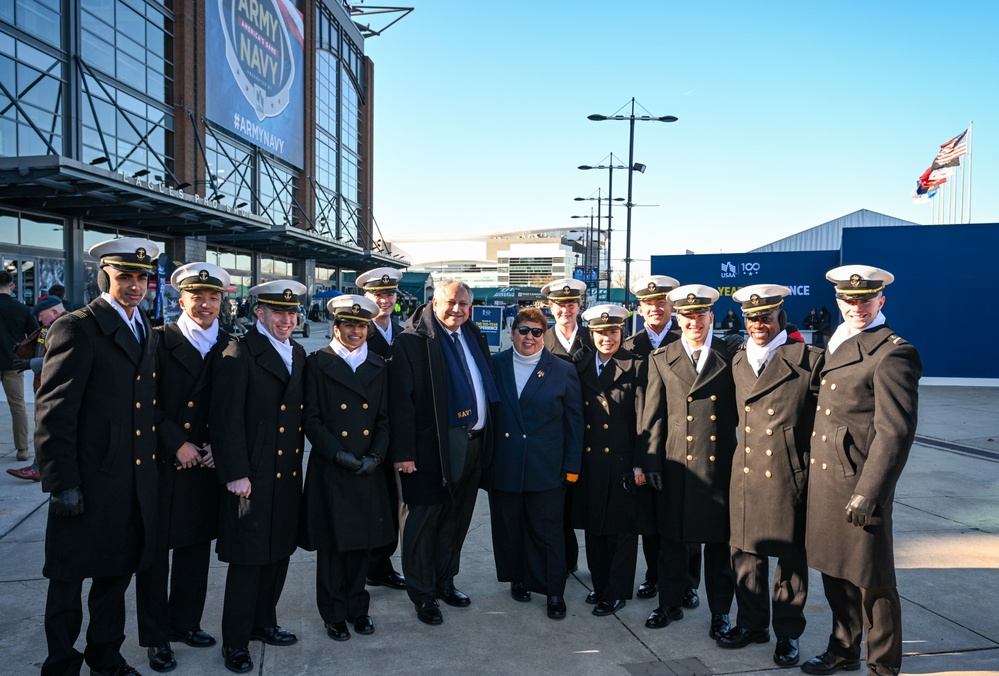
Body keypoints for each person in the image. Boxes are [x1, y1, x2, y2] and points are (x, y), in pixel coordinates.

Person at [35, 237, 160, 676]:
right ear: (104, 275)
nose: (135, 285)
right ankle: (61, 664)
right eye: (125, 276)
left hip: (130, 480)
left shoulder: (144, 325)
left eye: (142, 277)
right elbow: (54, 412)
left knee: (115, 577)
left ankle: (106, 656)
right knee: (68, 581)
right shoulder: (78, 326)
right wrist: (61, 482)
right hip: (86, 480)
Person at [800, 266, 921, 676]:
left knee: (874, 580)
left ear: (881, 301)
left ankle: (883, 665)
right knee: (835, 570)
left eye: (866, 300)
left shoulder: (892, 352)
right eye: (849, 301)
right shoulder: (837, 343)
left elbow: (895, 432)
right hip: (827, 480)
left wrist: (871, 491)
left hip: (859, 483)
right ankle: (844, 648)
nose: (857, 307)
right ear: (838, 302)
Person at [134, 263, 233, 672]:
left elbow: (230, 407)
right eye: (198, 297)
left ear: (222, 302)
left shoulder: (229, 343)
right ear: (182, 300)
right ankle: (157, 637)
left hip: (205, 462)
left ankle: (185, 622)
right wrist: (177, 442)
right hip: (164, 461)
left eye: (213, 298)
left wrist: (215, 446)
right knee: (155, 555)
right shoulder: (157, 341)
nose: (206, 304)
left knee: (195, 550)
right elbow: (142, 402)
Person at [718, 284, 823, 668]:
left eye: (765, 315)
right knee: (745, 554)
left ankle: (788, 634)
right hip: (745, 472)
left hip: (788, 472)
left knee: (791, 562)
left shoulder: (808, 359)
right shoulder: (736, 358)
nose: (758, 323)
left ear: (779, 313)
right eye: (751, 317)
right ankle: (752, 624)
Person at [387, 279, 499, 626]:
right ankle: (422, 594)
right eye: (451, 302)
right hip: (429, 449)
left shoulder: (472, 335)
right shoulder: (410, 342)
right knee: (422, 522)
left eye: (465, 304)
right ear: (434, 302)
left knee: (457, 519)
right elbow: (399, 403)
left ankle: (445, 581)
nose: (458, 309)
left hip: (473, 443)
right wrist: (403, 452)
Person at [211, 280, 308, 673]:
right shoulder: (238, 353)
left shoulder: (297, 352)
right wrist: (235, 473)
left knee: (278, 553)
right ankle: (235, 641)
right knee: (248, 560)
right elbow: (225, 419)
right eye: (277, 313)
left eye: (291, 313)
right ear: (260, 314)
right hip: (251, 474)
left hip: (284, 472)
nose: (286, 319)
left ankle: (264, 622)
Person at [641, 284, 739, 640]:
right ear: (677, 318)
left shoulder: (731, 355)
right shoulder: (661, 358)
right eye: (687, 315)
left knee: (717, 548)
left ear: (711, 316)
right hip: (675, 465)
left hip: (718, 467)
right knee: (671, 542)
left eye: (700, 314)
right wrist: (651, 462)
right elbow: (652, 417)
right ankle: (669, 604)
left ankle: (720, 614)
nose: (694, 321)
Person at [300, 295, 394, 642]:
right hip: (332, 465)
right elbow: (310, 418)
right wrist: (337, 454)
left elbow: (384, 420)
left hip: (367, 466)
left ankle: (358, 608)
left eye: (361, 326)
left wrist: (376, 456)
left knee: (361, 544)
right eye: (349, 325)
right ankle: (334, 613)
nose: (355, 331)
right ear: (335, 327)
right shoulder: (317, 363)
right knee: (332, 547)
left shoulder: (379, 366)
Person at [488, 307, 583, 620]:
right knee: (509, 527)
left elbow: (574, 423)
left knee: (548, 532)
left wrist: (571, 468)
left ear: (545, 335)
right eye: (523, 330)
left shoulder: (562, 369)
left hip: (547, 467)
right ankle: (519, 577)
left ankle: (554, 591)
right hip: (506, 464)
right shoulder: (495, 364)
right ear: (512, 331)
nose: (529, 337)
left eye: (536, 332)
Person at [624, 275, 698, 605]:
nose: (655, 308)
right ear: (640, 309)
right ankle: (654, 575)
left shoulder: (690, 340)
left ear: (672, 306)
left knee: (686, 517)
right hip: (646, 443)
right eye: (648, 304)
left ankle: (688, 583)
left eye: (661, 302)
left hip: (685, 442)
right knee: (650, 517)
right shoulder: (630, 347)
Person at [575, 304, 645, 617]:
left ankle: (616, 591)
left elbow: (644, 420)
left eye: (613, 332)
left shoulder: (637, 366)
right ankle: (600, 584)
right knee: (594, 526)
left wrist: (640, 462)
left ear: (622, 333)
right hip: (590, 460)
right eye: (602, 333)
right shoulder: (582, 364)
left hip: (622, 460)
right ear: (592, 333)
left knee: (622, 529)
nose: (608, 338)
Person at [355, 266, 408, 591]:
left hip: (396, 432)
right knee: (366, 504)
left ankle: (380, 565)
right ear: (366, 297)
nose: (385, 300)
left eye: (389, 294)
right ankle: (363, 567)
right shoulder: (358, 331)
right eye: (378, 295)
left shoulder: (403, 334)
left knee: (391, 504)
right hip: (366, 433)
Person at [540, 277, 592, 575]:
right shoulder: (541, 339)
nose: (566, 310)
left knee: (587, 504)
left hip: (594, 432)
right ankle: (566, 560)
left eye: (571, 304)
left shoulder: (594, 336)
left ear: (579, 306)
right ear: (551, 307)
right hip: (556, 434)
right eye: (560, 305)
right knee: (558, 507)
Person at [7, 297, 66, 482]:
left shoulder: (66, 326)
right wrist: (24, 351)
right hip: (44, 384)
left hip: (55, 387)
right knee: (45, 428)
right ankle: (39, 466)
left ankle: (39, 468)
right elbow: (42, 348)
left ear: (54, 312)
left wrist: (30, 363)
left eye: (41, 315)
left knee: (48, 429)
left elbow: (60, 357)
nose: (39, 320)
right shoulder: (50, 326)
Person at [0, 269, 38, 463]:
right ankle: (22, 449)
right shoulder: (22, 309)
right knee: (18, 407)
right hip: (13, 363)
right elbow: (34, 335)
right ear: (12, 286)